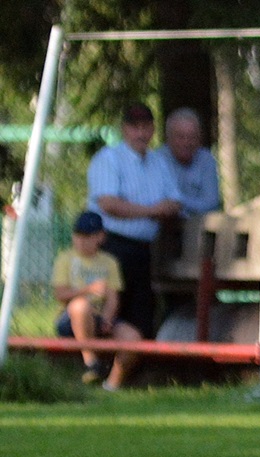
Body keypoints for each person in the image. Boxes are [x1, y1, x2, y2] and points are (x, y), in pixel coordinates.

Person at [87, 102, 183, 339]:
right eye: (134, 127)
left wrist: (163, 209)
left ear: (152, 129)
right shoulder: (108, 159)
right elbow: (108, 204)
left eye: (145, 127)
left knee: (141, 309)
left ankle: (135, 363)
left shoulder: (159, 162)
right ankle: (100, 362)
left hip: (146, 249)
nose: (140, 133)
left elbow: (175, 202)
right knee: (110, 306)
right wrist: (152, 211)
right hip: (112, 246)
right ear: (124, 129)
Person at [51, 211, 142, 390]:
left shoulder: (109, 262)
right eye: (79, 235)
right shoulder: (65, 259)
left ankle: (111, 386)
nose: (82, 241)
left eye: (88, 236)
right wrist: (89, 290)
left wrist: (107, 318)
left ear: (101, 237)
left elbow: (113, 296)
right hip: (71, 319)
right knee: (81, 305)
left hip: (100, 317)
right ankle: (91, 362)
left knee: (133, 337)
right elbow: (60, 295)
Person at [155, 107, 221, 217]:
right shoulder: (156, 160)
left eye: (192, 137)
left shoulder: (206, 160)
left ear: (200, 138)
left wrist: (178, 202)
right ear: (168, 138)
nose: (186, 142)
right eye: (180, 137)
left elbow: (211, 204)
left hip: (198, 227)